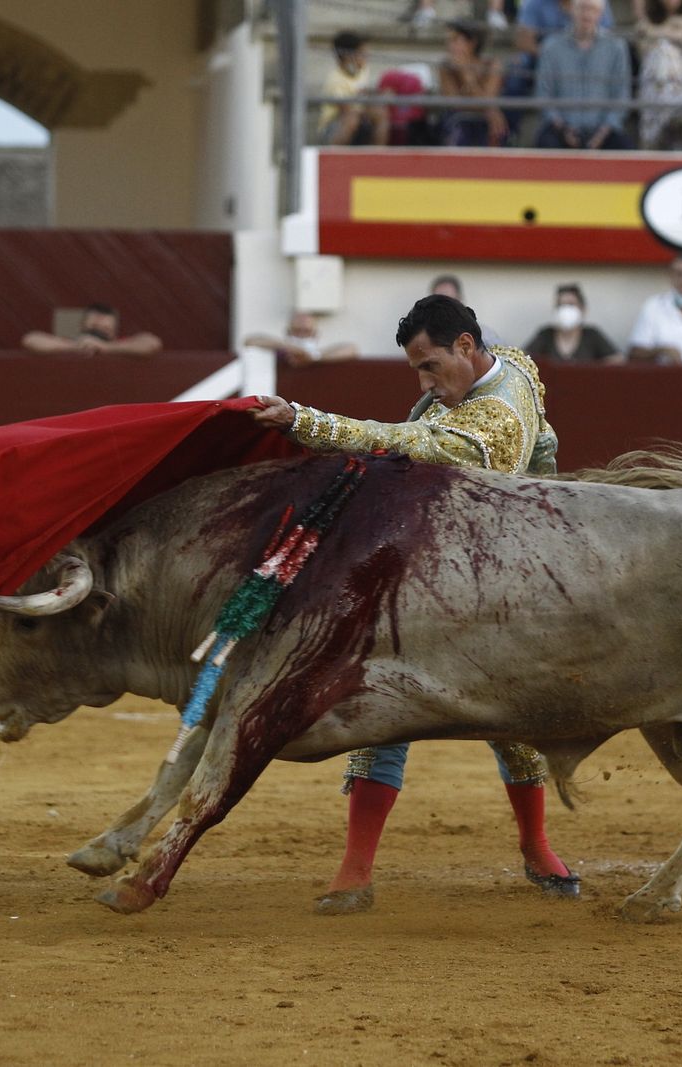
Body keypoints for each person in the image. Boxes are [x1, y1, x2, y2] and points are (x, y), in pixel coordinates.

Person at [244, 294, 578, 914]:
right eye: (417, 371)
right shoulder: (512, 365)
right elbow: (543, 440)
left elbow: (404, 443)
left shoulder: (496, 418)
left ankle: (535, 844)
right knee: (384, 704)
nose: (426, 382)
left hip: (498, 587)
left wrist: (303, 421)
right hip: (432, 572)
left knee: (513, 725)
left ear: (466, 348)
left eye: (431, 367)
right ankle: (354, 871)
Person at [533, 0, 633, 150]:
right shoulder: (551, 46)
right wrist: (563, 129)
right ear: (572, 10)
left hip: (603, 130)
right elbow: (544, 94)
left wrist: (602, 133)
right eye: (582, 8)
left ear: (600, 13)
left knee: (625, 148)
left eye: (592, 9)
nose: (587, 14)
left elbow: (621, 95)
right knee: (545, 143)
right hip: (561, 128)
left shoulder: (617, 47)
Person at [635, 0, 682, 149]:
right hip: (658, 89)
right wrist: (681, 29)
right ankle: (668, 122)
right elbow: (645, 49)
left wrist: (668, 31)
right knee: (664, 52)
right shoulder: (645, 25)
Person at [439, 20, 509, 146]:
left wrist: (466, 74)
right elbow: (454, 103)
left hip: (485, 122)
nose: (450, 45)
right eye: (449, 40)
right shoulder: (446, 67)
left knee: (496, 130)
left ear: (472, 43)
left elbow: (489, 99)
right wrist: (490, 110)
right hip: (459, 120)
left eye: (455, 40)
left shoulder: (492, 64)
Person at [318, 31, 390, 146]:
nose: (366, 58)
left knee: (380, 113)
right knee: (352, 119)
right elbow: (345, 110)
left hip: (360, 121)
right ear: (348, 57)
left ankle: (378, 155)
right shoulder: (335, 80)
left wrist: (377, 93)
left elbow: (364, 91)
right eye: (362, 54)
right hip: (335, 127)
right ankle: (334, 155)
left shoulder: (363, 71)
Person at [523, 283, 624, 362]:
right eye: (561, 305)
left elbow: (617, 360)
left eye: (571, 304)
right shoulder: (545, 335)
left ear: (582, 309)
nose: (565, 310)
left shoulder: (592, 335)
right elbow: (523, 358)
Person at [21, 303, 163, 356]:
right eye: (94, 327)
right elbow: (31, 340)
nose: (98, 331)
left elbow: (152, 344)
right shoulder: (69, 342)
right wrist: (76, 347)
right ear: (82, 327)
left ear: (114, 331)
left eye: (105, 328)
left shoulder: (122, 343)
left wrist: (106, 348)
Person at [242, 312, 361, 367]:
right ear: (288, 332)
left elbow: (352, 349)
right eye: (297, 331)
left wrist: (314, 357)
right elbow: (250, 341)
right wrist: (287, 347)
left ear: (315, 335)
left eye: (306, 331)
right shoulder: (279, 353)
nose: (301, 335)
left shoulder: (322, 356)